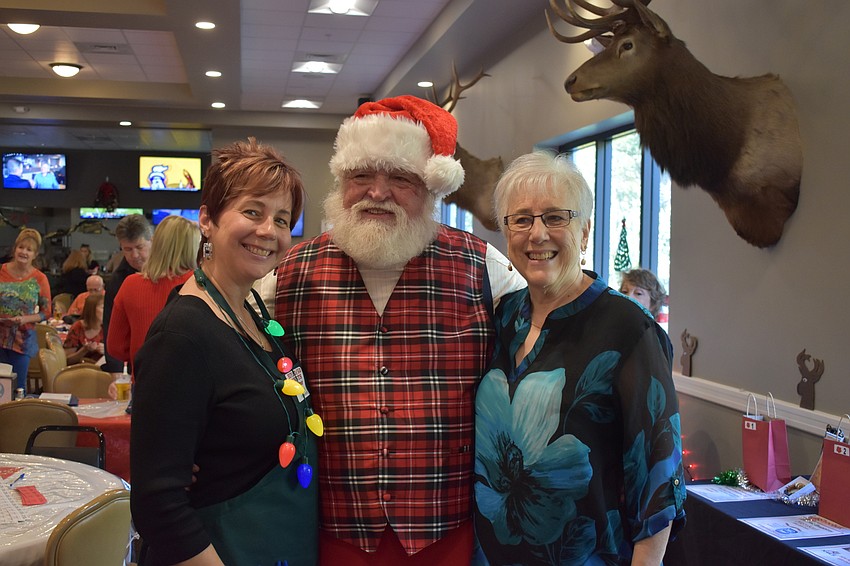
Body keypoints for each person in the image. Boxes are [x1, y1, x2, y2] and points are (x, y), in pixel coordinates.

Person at [273, 95, 526, 565]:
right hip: (332, 530)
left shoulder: (484, 268)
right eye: (362, 176)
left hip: (446, 531)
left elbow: (546, 346)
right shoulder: (288, 274)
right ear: (342, 182)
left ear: (430, 188)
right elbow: (229, 352)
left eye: (401, 179)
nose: (377, 192)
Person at [473, 151, 686, 565]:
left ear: (585, 233)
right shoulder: (503, 317)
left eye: (555, 217)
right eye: (521, 219)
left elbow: (658, 479)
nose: (537, 235)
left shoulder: (629, 330)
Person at [131, 137, 319, 565]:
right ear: (207, 220)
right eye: (252, 211)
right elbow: (158, 505)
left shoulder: (257, 315)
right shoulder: (182, 336)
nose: (268, 231)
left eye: (282, 219)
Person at [107, 214, 199, 379]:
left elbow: (115, 347)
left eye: (139, 247)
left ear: (155, 242)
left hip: (144, 382)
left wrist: (142, 352)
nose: (135, 255)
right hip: (193, 385)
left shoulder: (129, 284)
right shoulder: (204, 286)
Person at [0, 228, 51, 391]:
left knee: (17, 387)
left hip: (22, 340)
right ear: (15, 249)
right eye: (21, 247)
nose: (24, 252)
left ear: (35, 255)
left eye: (29, 250)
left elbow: (46, 312)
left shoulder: (40, 278)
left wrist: (24, 319)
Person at [103, 214, 153, 374]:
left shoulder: (173, 272)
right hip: (137, 366)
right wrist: (115, 374)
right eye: (128, 249)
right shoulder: (117, 282)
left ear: (152, 240)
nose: (135, 256)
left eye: (139, 247)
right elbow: (110, 330)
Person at [63, 293, 105, 365]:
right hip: (79, 371)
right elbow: (67, 360)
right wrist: (84, 350)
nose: (107, 311)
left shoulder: (107, 327)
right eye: (103, 308)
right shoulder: (78, 327)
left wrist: (106, 352)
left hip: (102, 370)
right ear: (92, 310)